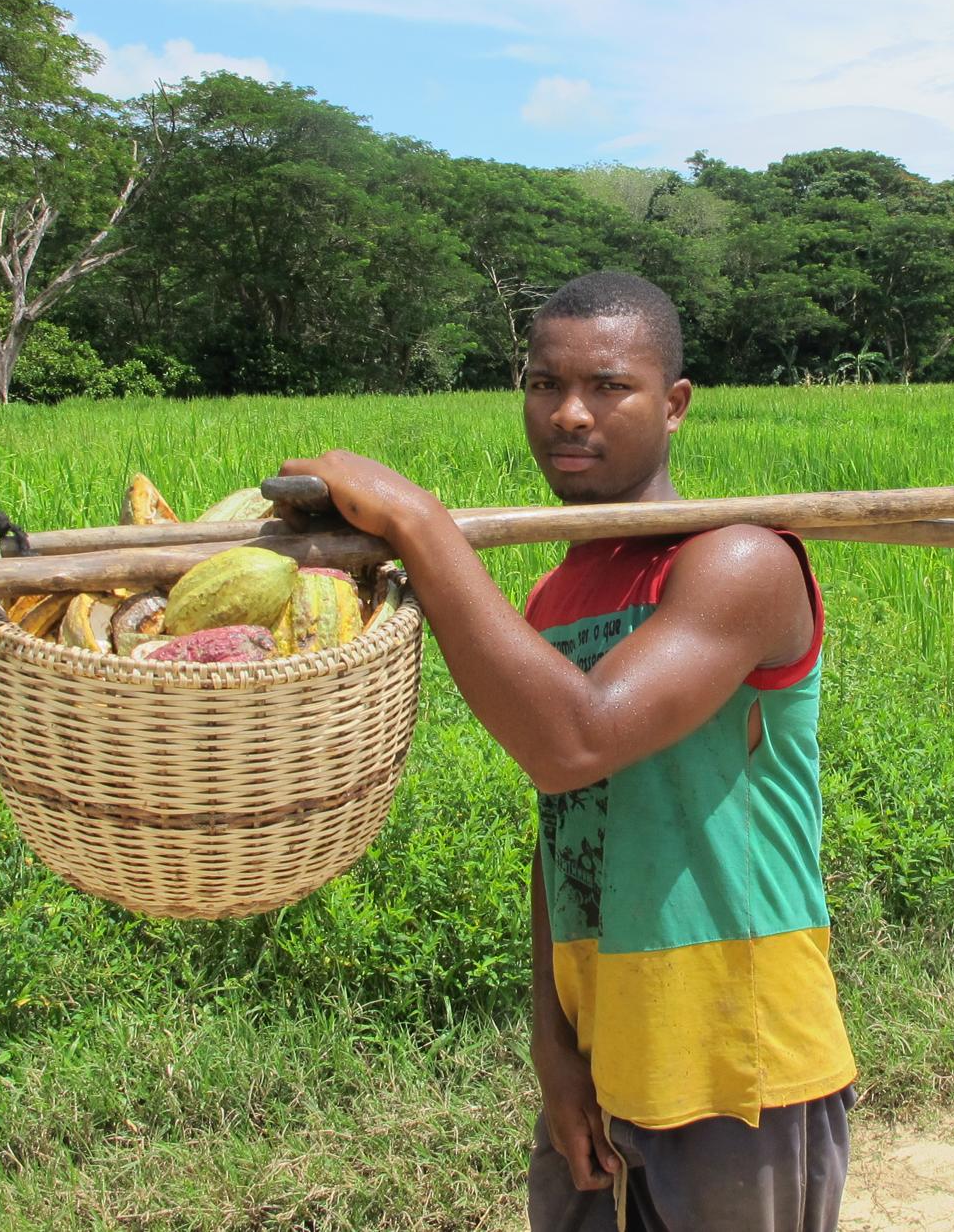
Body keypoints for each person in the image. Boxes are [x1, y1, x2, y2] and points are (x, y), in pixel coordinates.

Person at [280, 272, 855, 1230]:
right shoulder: (552, 598)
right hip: (601, 1052)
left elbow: (573, 743)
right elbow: (562, 833)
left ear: (674, 406)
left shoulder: (737, 561)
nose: (569, 414)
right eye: (544, 385)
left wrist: (417, 523)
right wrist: (555, 1049)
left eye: (607, 387)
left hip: (734, 1060)